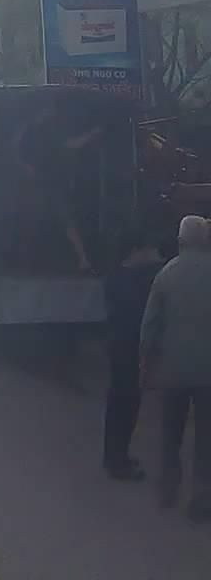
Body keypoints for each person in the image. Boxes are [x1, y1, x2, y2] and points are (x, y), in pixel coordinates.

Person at [139, 215, 211, 519]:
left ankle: (168, 488)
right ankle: (202, 496)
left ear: (180, 241)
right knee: (206, 437)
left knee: (171, 432)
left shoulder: (166, 275)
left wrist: (145, 365)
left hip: (172, 369)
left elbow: (149, 327)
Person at [102, 231, 166, 481]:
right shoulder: (131, 283)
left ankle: (115, 456)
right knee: (126, 404)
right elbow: (140, 317)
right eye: (148, 250)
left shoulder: (117, 276)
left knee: (120, 403)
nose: (153, 255)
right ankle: (118, 461)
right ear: (136, 251)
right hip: (128, 349)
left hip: (118, 348)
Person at [11, 105, 104, 273]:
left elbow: (69, 145)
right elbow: (71, 144)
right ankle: (25, 260)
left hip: (50, 183)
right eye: (50, 109)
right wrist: (92, 134)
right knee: (47, 220)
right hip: (42, 184)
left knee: (62, 220)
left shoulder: (40, 130)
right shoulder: (33, 130)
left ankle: (82, 259)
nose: (52, 113)